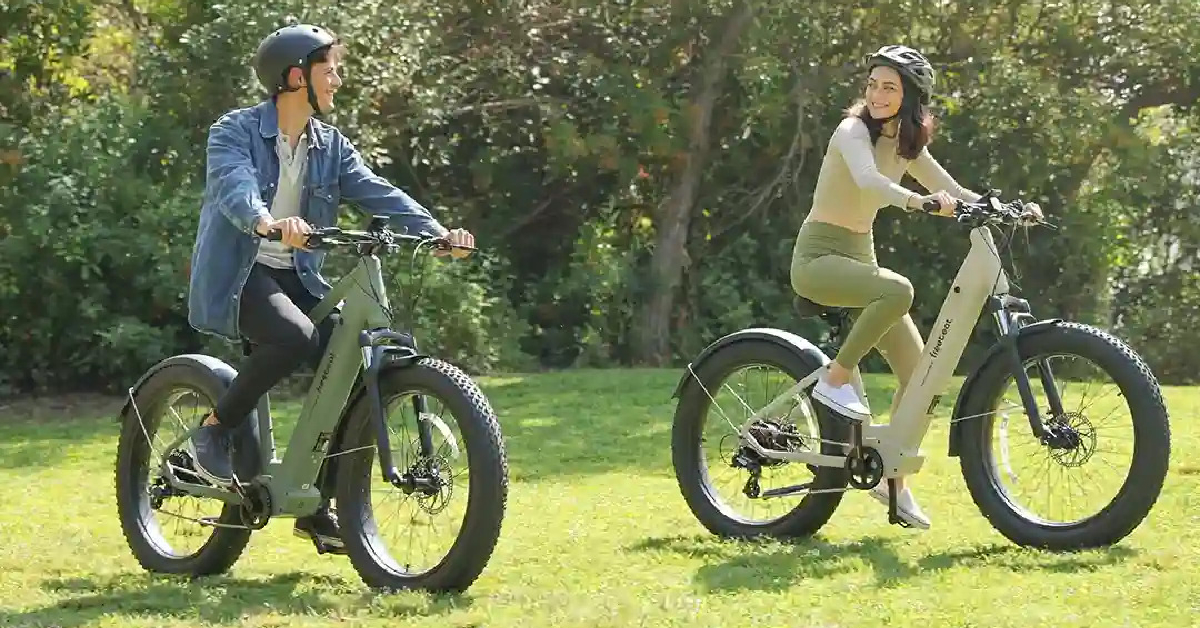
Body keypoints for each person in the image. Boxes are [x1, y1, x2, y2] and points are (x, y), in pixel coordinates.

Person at [184, 24, 476, 553]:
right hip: (244, 276)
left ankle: (320, 502)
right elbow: (234, 186)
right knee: (296, 337)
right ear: (297, 77)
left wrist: (436, 234)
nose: (338, 80)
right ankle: (216, 427)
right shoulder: (236, 130)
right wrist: (268, 222)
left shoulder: (330, 145)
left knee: (347, 359)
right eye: (330, 69)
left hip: (297, 276)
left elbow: (378, 192)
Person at [789, 44, 1039, 529]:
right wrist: (919, 204)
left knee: (921, 375)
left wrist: (1005, 209)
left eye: (890, 88)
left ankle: (891, 483)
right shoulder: (851, 131)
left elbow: (954, 189)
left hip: (861, 255)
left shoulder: (907, 144)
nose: (878, 95)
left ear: (910, 98)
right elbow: (869, 182)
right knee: (899, 290)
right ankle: (834, 378)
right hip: (818, 257)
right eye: (873, 85)